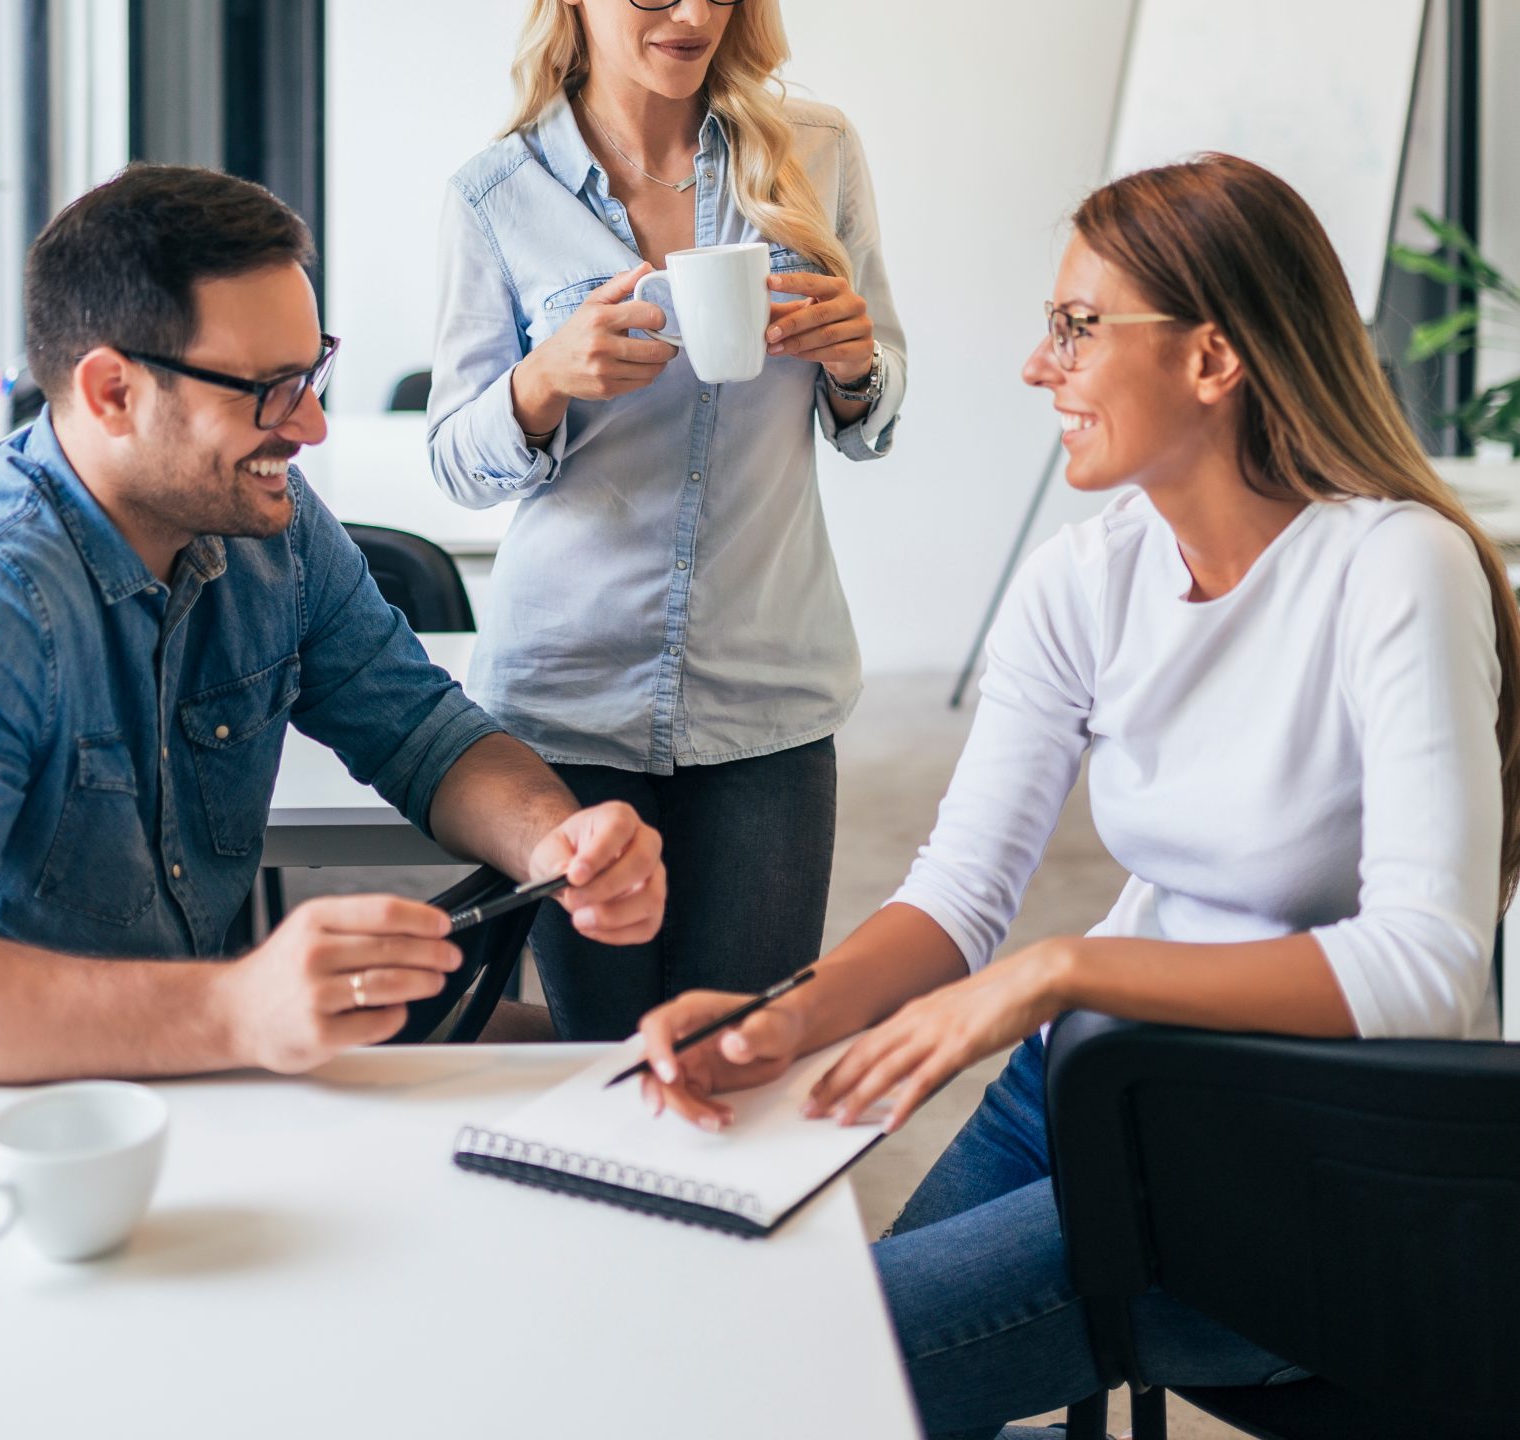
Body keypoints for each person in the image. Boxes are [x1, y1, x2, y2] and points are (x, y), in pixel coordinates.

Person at [632, 154, 1520, 1440]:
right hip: (1094, 1092)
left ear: (1211, 358)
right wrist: (788, 1021)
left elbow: (1421, 971)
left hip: (1314, 1166)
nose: (1036, 367)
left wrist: (1064, 973)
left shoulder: (1395, 568)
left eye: (1074, 327)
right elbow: (957, 890)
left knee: (815, 1376)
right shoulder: (1080, 580)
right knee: (800, 1351)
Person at [0, 164, 664, 1083]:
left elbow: (421, 730)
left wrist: (553, 836)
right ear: (112, 393)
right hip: (19, 1120)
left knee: (603, 1072)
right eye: (266, 390)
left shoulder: (271, 529)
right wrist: (235, 1007)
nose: (311, 427)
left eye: (310, 374)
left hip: (196, 1066)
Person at [428, 0, 905, 1040]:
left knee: (740, 1057)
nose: (691, 13)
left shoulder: (814, 155)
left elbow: (873, 406)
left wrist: (855, 364)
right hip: (562, 702)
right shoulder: (495, 196)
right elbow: (453, 458)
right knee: (595, 1068)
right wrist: (541, 382)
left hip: (767, 698)